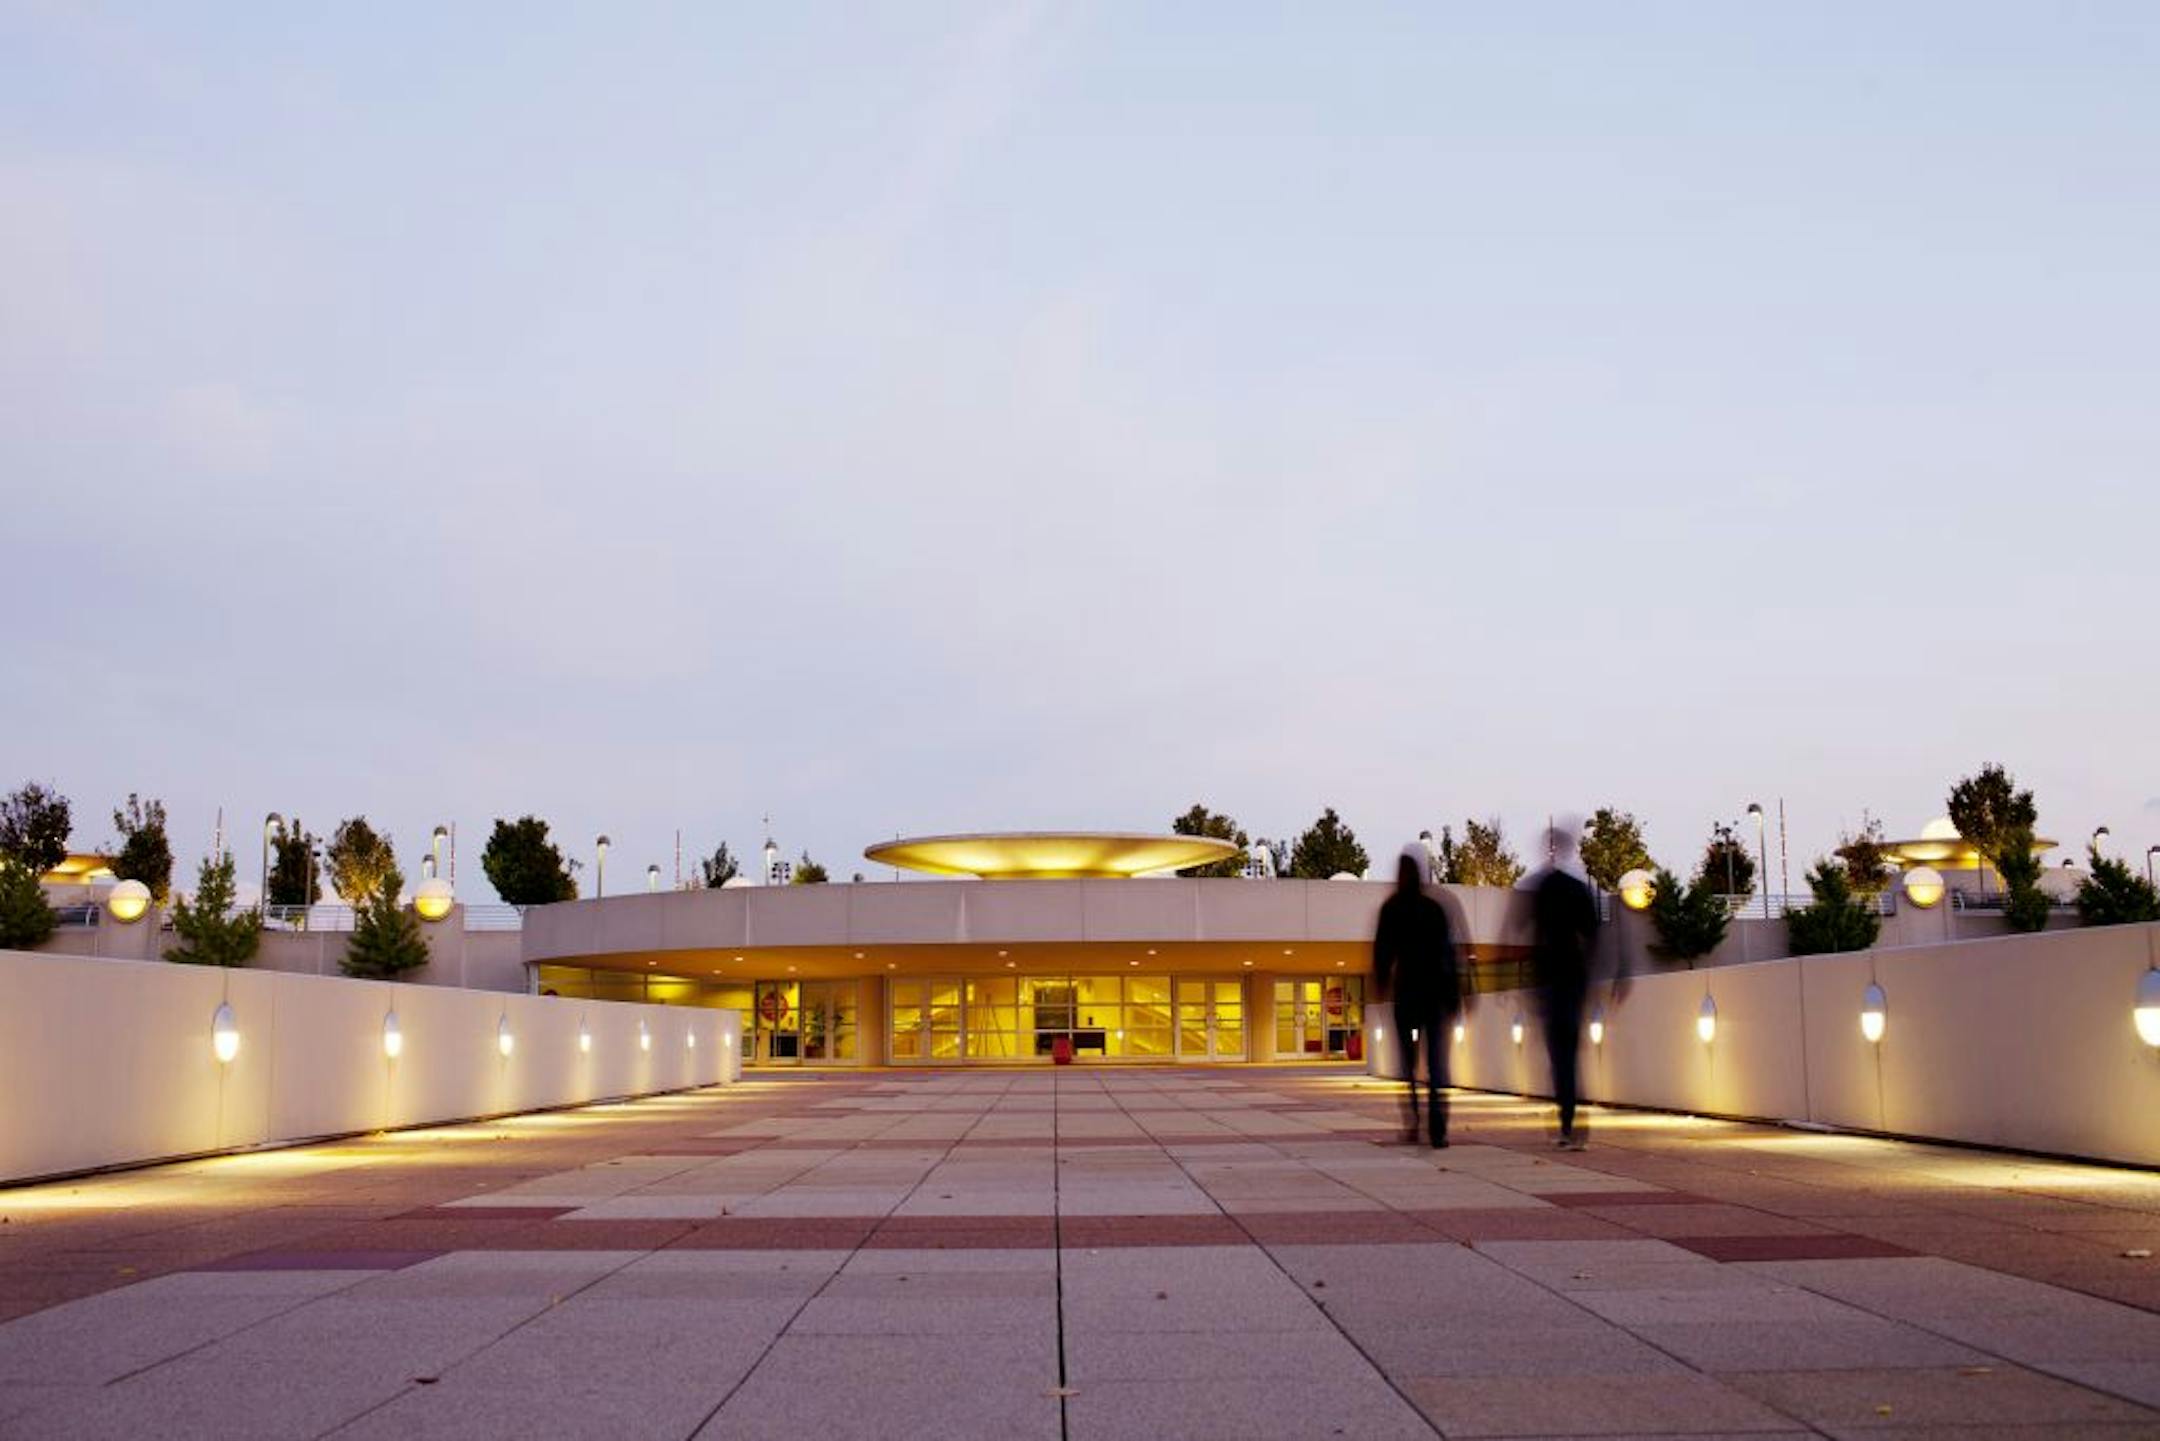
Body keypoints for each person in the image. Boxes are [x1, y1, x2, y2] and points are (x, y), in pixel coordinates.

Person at [1372, 845, 1462, 1148]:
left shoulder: (1392, 908)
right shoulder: (1433, 908)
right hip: (1435, 993)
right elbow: (1450, 953)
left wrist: (1381, 985)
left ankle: (1413, 1121)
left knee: (1408, 1065)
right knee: (1437, 1063)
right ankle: (1438, 1128)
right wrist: (1457, 994)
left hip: (1408, 993)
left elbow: (1382, 954)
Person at [1530, 822, 1602, 1150]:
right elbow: (1594, 936)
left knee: (1558, 1054)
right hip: (1572, 976)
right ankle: (1571, 1116)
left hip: (1550, 976)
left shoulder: (1543, 888)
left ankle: (1567, 1119)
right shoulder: (1577, 889)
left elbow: (1525, 932)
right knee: (1569, 1051)